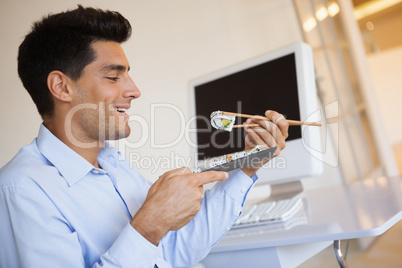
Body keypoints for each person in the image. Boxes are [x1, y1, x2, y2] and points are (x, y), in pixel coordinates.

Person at [0, 5, 289, 268]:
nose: (134, 90)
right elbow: (149, 236)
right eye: (114, 77)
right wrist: (149, 225)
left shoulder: (113, 164)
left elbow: (174, 252)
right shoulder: (23, 190)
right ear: (61, 87)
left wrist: (249, 163)